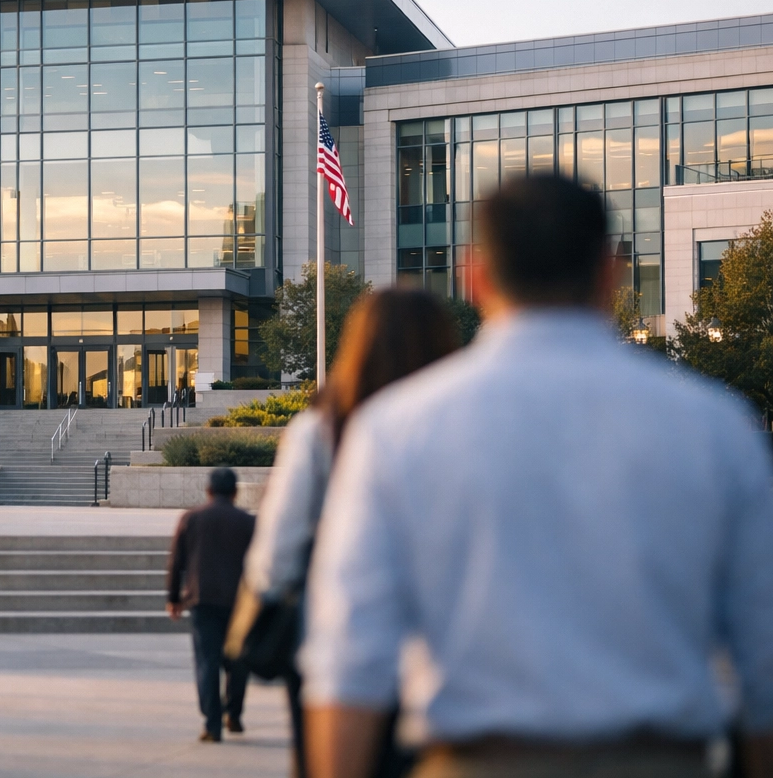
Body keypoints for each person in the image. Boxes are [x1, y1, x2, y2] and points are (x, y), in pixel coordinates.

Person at [302, 174, 773, 778]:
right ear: (611, 272)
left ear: (474, 277)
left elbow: (350, 660)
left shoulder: (396, 431)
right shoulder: (717, 426)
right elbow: (761, 658)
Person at [233, 290, 459, 778]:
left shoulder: (320, 430)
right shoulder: (460, 427)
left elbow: (277, 550)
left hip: (332, 640)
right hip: (442, 644)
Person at [167, 466, 256, 742]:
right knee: (238, 661)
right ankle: (234, 714)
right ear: (235, 492)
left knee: (207, 661)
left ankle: (212, 724)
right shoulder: (248, 522)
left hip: (202, 600)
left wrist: (173, 599)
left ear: (207, 491)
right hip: (239, 603)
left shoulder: (191, 519)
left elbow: (176, 562)